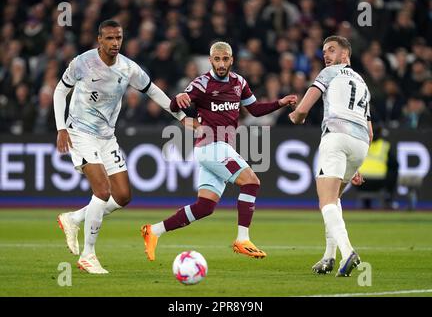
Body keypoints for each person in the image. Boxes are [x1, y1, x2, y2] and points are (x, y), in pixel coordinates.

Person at [140, 41, 297, 261]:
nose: (221, 64)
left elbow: (254, 109)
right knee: (251, 182)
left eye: (225, 59)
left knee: (205, 207)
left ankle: (153, 231)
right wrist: (178, 100)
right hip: (211, 145)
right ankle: (243, 239)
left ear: (232, 60)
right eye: (217, 59)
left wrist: (280, 102)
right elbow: (175, 106)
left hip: (219, 148)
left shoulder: (239, 82)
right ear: (210, 59)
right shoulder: (201, 83)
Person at [54, 20, 188, 274]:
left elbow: (153, 91)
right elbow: (60, 91)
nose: (115, 43)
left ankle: (73, 218)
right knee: (102, 190)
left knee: (123, 195)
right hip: (80, 133)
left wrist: (182, 117)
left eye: (119, 38)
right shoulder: (82, 62)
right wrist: (61, 127)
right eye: (109, 39)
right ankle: (88, 255)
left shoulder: (128, 68)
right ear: (99, 40)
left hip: (106, 136)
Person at [289, 36, 373, 277]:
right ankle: (328, 257)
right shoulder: (363, 83)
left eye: (332, 50)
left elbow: (303, 109)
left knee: (325, 201)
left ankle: (348, 253)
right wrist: (355, 163)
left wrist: (295, 116)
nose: (326, 55)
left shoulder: (329, 73)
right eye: (324, 51)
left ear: (345, 55)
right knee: (334, 199)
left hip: (336, 138)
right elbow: (370, 130)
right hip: (360, 145)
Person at [356, 124, 399, 209]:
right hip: (380, 182)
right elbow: (395, 164)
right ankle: (388, 197)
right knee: (393, 170)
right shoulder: (385, 145)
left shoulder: (361, 144)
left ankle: (366, 203)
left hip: (361, 182)